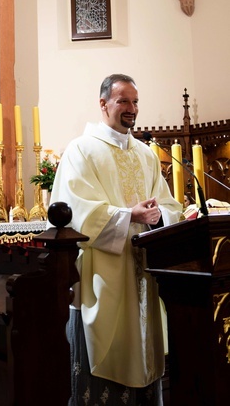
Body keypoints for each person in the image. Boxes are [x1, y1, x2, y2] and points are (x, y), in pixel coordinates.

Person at [49, 74, 182, 405]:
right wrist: (128, 216)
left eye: (135, 102)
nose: (131, 109)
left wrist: (158, 216)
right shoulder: (82, 150)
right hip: (104, 274)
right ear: (103, 103)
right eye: (124, 101)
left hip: (143, 274)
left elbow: (168, 205)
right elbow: (74, 210)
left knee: (145, 356)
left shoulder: (146, 154)